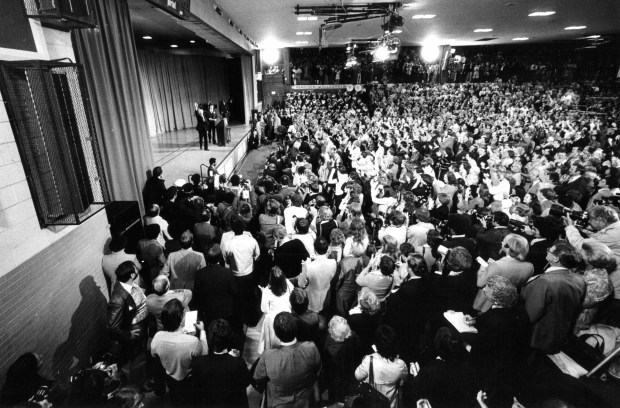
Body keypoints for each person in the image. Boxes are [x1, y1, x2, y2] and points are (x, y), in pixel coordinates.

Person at [470, 276, 529, 408]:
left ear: (497, 297)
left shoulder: (495, 321)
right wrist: (475, 320)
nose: (484, 289)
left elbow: (478, 349)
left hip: (495, 367)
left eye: (487, 289)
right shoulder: (515, 308)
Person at [520, 241, 586, 354]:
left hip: (536, 336)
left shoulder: (545, 281)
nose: (547, 251)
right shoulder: (579, 279)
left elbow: (531, 314)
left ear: (556, 259)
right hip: (558, 334)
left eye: (549, 250)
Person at [252, 312, 322, 408]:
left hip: (278, 403)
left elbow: (257, 377)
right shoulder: (311, 348)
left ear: (276, 334)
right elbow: (317, 370)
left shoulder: (268, 356)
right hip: (305, 401)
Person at [151, 299, 208, 406]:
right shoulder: (193, 341)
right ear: (181, 319)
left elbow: (154, 354)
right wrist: (202, 332)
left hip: (170, 378)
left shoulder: (157, 337)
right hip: (188, 379)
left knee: (175, 401)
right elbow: (204, 355)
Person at [191, 319, 250, 408]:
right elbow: (246, 382)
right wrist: (235, 359)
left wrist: (202, 331)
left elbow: (196, 388)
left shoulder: (198, 363)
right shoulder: (238, 363)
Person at [107, 261, 149, 384]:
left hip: (141, 324)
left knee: (140, 355)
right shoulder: (117, 300)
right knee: (137, 358)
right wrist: (129, 335)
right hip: (134, 330)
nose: (138, 269)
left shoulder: (127, 284)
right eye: (136, 268)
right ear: (131, 275)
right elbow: (113, 329)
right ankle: (140, 385)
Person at [473, 234, 534, 313]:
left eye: (503, 241)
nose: (501, 243)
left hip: (487, 304)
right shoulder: (530, 267)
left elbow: (480, 283)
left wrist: (484, 268)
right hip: (508, 305)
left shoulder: (497, 265)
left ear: (508, 247)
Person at [354, 325, 408, 408]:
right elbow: (403, 381)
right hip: (391, 404)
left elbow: (358, 376)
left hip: (372, 402)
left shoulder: (369, 360)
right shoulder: (400, 365)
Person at [221, 217, 261, 325]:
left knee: (237, 299)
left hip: (235, 274)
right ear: (244, 228)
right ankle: (251, 320)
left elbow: (226, 260)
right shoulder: (251, 240)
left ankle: (239, 322)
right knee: (250, 297)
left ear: (233, 229)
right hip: (249, 273)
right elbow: (257, 255)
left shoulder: (228, 244)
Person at [191, 244, 238, 327]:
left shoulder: (199, 274)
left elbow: (197, 296)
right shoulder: (227, 272)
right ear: (220, 257)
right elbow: (234, 292)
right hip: (225, 313)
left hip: (207, 314)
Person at [322, 316, 361, 403]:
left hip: (335, 377)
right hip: (350, 373)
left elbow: (326, 364)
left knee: (335, 398)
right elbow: (358, 349)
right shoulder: (353, 336)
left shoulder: (330, 347)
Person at [298, 237, 337, 313]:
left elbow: (300, 284)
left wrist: (305, 266)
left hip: (312, 297)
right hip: (326, 295)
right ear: (327, 248)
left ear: (314, 249)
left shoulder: (308, 265)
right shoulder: (333, 262)